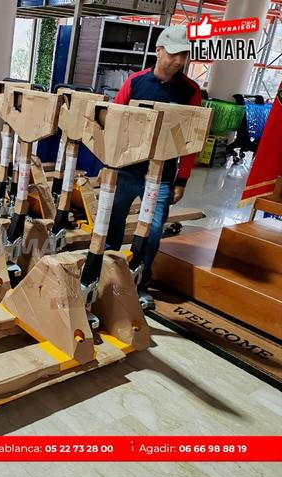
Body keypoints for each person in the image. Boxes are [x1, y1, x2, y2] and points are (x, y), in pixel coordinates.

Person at [105, 25, 202, 309]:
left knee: (154, 231)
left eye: (184, 55)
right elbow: (114, 124)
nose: (179, 61)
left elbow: (192, 139)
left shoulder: (190, 91)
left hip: (162, 176)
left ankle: (139, 281)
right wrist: (108, 165)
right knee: (112, 224)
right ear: (158, 50)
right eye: (173, 54)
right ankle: (106, 272)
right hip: (127, 169)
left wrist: (182, 179)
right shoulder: (135, 83)